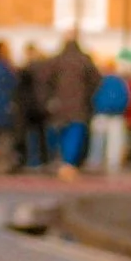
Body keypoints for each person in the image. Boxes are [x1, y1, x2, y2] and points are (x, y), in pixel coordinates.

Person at [47, 35, 99, 170]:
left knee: (59, 132)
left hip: (59, 105)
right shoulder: (85, 61)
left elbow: (46, 81)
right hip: (79, 105)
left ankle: (59, 158)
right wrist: (88, 95)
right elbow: (96, 80)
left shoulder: (56, 60)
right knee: (75, 133)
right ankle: (69, 162)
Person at [89, 64, 131, 172]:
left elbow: (93, 96)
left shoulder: (99, 81)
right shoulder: (120, 82)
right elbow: (126, 97)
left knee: (98, 139)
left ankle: (95, 161)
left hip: (101, 113)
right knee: (115, 140)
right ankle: (113, 162)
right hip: (117, 114)